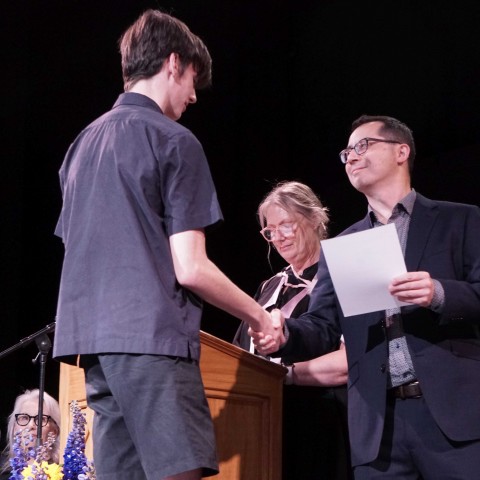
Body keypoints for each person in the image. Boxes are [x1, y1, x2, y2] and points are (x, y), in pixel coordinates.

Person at [53, 9, 276, 480]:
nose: (194, 95)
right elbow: (190, 267)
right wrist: (257, 315)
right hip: (151, 340)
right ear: (174, 63)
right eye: (193, 78)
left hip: (93, 345)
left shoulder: (79, 146)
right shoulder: (174, 141)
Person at [252, 115, 480, 479]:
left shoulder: (461, 220)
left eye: (363, 146)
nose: (352, 158)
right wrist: (285, 334)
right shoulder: (343, 245)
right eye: (346, 153)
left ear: (401, 151)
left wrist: (438, 292)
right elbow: (322, 327)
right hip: (378, 427)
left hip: (454, 420)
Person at [233, 181, 352, 480]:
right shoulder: (270, 285)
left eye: (286, 225)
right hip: (264, 422)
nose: (278, 238)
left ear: (314, 218)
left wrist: (278, 376)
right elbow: (236, 354)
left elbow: (352, 362)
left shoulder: (345, 269)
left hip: (324, 424)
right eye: (270, 231)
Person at [1, 389, 61, 476]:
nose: (30, 425)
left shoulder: (63, 474)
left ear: (54, 431)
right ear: (14, 429)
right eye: (24, 417)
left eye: (40, 419)